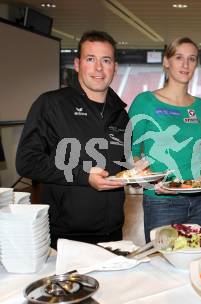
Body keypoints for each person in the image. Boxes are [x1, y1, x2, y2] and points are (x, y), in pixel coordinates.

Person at [16, 31, 129, 248]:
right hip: (66, 234)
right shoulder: (51, 105)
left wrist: (138, 168)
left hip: (113, 232)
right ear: (77, 64)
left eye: (106, 60)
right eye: (90, 59)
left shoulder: (121, 114)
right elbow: (27, 161)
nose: (98, 68)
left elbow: (121, 164)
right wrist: (83, 176)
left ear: (114, 67)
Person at [129, 37, 201, 242]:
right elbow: (131, 152)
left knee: (198, 259)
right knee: (161, 264)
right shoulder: (145, 102)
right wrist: (146, 178)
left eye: (191, 59)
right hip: (161, 201)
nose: (185, 64)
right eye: (179, 57)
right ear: (166, 62)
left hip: (200, 202)